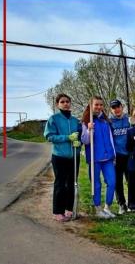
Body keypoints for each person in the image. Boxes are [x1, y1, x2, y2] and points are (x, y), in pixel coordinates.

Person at [44, 93, 81, 222]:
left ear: (70, 103)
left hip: (74, 157)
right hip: (59, 156)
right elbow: (49, 136)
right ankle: (58, 212)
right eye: (62, 102)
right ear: (58, 104)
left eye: (67, 101)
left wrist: (79, 142)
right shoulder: (53, 119)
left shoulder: (75, 121)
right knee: (60, 184)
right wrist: (67, 137)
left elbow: (81, 135)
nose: (65, 104)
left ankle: (69, 209)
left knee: (72, 183)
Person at [81, 96, 116, 219]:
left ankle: (107, 207)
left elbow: (111, 139)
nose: (99, 107)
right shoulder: (86, 121)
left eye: (101, 105)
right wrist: (89, 130)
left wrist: (114, 154)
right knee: (96, 184)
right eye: (96, 104)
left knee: (112, 182)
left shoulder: (106, 121)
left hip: (108, 158)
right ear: (91, 105)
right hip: (95, 158)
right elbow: (85, 141)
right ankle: (97, 208)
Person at [109, 99, 131, 214]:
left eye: (118, 106)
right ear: (111, 110)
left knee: (131, 179)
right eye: (114, 108)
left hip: (129, 154)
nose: (116, 109)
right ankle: (122, 204)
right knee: (118, 181)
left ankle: (132, 203)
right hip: (117, 156)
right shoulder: (110, 122)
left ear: (122, 107)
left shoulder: (129, 120)